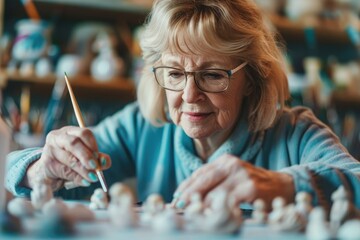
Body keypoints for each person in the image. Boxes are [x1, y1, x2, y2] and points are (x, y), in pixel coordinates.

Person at [5, 0, 360, 210]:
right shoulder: (143, 128)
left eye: (213, 75)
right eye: (174, 73)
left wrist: (281, 185)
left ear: (252, 77)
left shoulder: (294, 134)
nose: (189, 95)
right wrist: (44, 168)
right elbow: (12, 171)